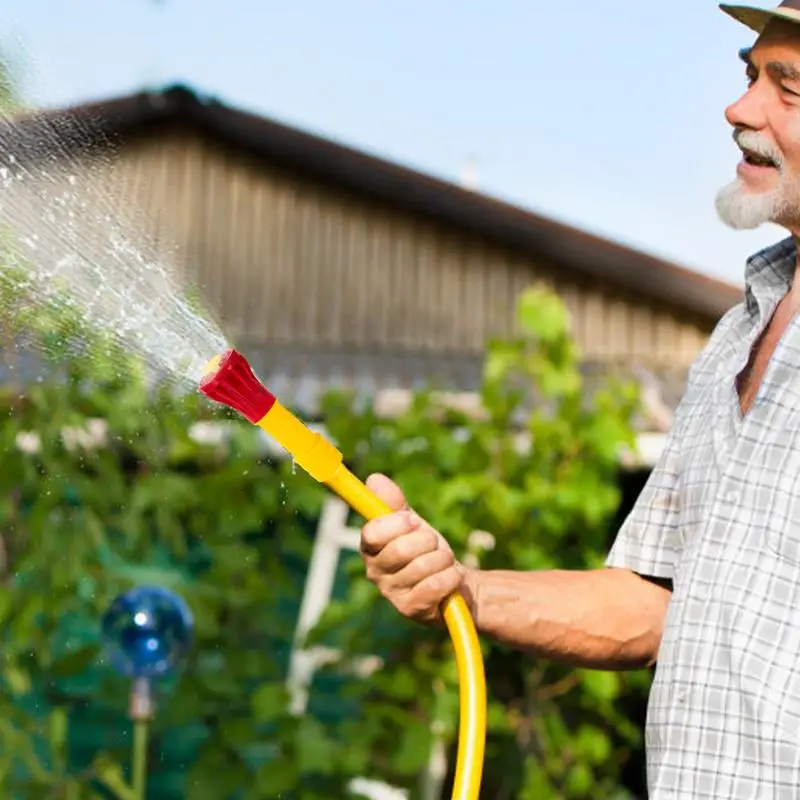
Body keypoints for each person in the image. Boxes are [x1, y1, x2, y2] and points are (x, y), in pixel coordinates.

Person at [359, 3, 800, 797]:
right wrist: (464, 591)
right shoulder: (738, 337)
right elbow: (655, 605)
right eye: (748, 75)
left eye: (787, 87)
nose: (739, 109)